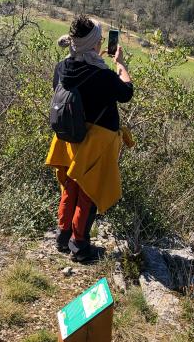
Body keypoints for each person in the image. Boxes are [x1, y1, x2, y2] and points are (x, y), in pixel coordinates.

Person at [45, 15, 134, 262]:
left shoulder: (63, 67)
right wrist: (121, 66)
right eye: (100, 40)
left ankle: (63, 236)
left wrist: (97, 61)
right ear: (93, 44)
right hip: (96, 141)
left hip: (69, 137)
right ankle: (80, 247)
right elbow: (126, 92)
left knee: (70, 185)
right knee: (89, 192)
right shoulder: (103, 76)